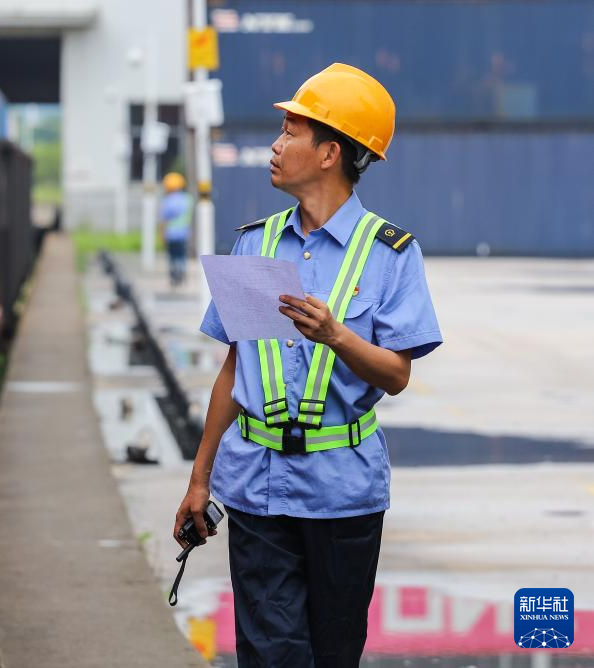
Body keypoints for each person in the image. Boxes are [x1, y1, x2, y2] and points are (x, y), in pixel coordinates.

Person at [173, 63, 442, 667]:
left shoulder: (390, 256)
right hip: (256, 489)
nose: (274, 146)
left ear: (329, 153)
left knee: (333, 654)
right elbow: (235, 370)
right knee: (271, 656)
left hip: (344, 493)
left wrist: (334, 335)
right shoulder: (255, 244)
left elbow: (396, 374)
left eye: (289, 133)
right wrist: (199, 481)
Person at [159, 172, 193, 286]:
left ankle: (174, 276)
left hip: (171, 234)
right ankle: (182, 273)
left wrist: (162, 234)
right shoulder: (187, 199)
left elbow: (163, 220)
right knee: (182, 255)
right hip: (183, 233)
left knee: (172, 256)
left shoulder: (167, 201)